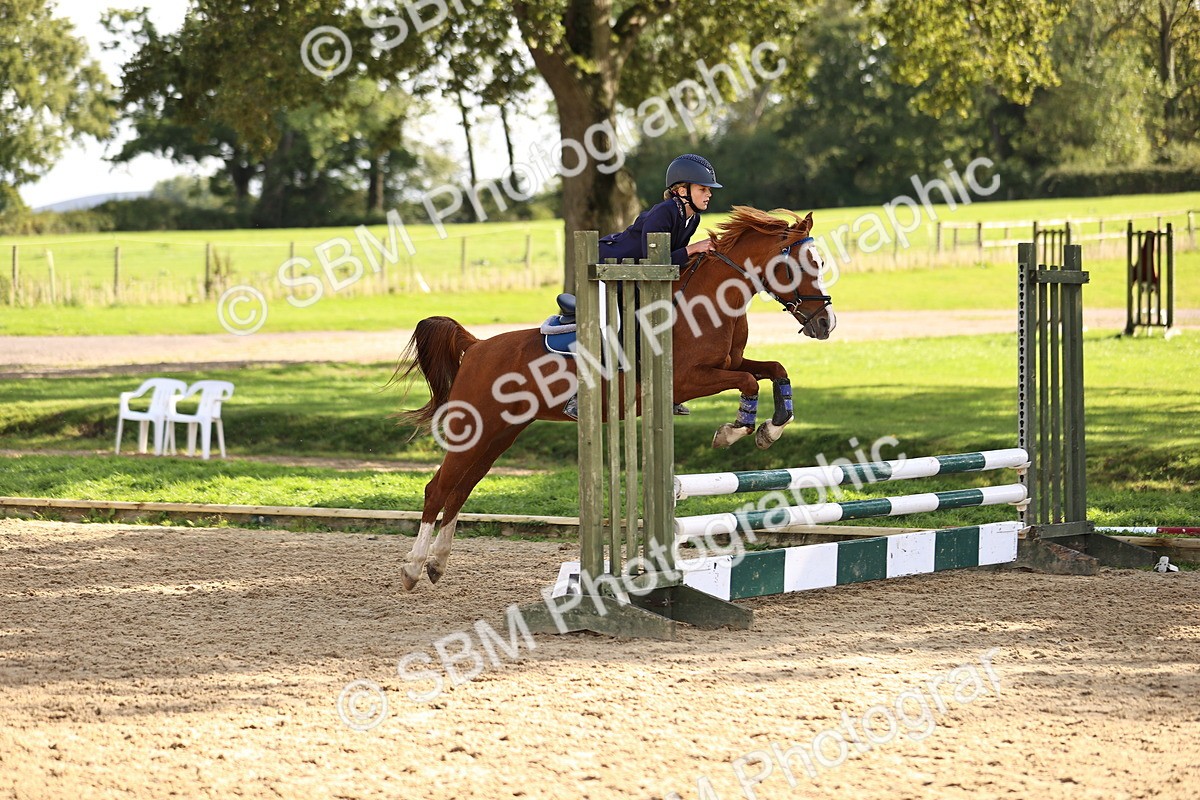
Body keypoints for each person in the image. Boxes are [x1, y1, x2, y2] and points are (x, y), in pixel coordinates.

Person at [563, 154, 722, 420]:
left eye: (709, 190)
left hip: (635, 274)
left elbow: (669, 260)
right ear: (681, 191)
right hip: (606, 268)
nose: (708, 195)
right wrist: (692, 249)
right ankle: (578, 397)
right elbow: (654, 260)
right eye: (703, 189)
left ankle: (666, 393)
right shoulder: (664, 212)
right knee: (612, 328)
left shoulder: (692, 218)